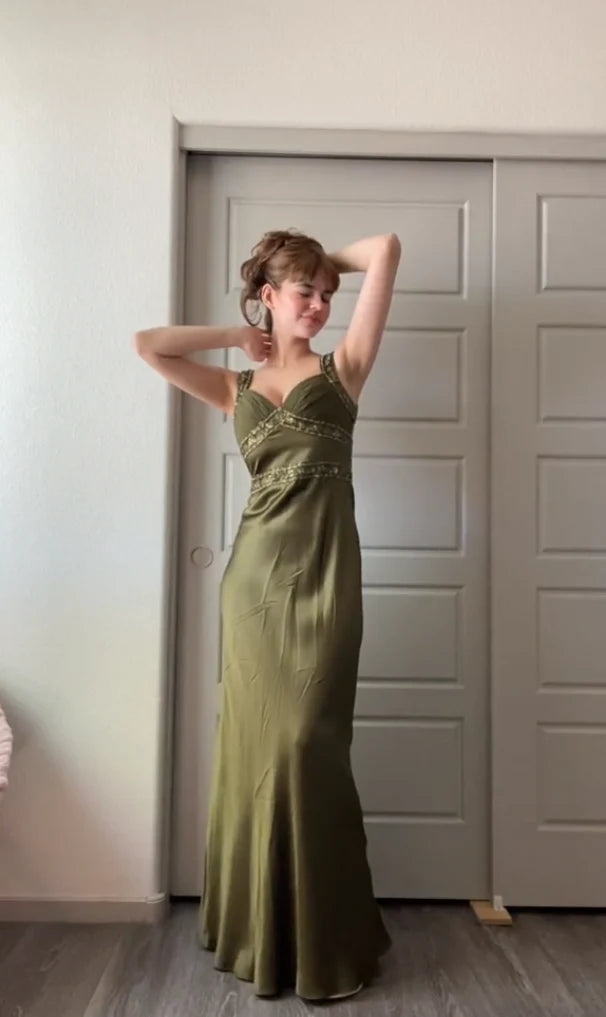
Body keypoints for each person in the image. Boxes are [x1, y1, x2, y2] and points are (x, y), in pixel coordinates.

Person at [134, 227, 402, 1001]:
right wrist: (237, 332)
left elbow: (385, 248)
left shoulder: (344, 368)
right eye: (304, 291)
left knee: (307, 743)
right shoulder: (235, 386)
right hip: (251, 586)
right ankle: (259, 935)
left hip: (325, 581)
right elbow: (148, 345)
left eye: (326, 294)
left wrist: (313, 259)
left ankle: (325, 943)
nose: (319, 304)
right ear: (269, 295)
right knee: (254, 752)